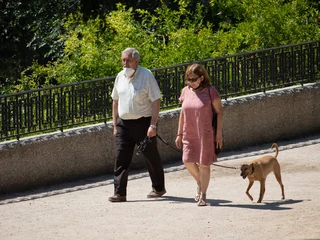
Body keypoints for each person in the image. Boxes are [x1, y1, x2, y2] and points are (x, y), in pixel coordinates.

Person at [108, 47, 166, 202]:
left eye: (128, 60)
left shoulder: (146, 75)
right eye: (123, 60)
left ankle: (158, 187)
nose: (125, 63)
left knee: (150, 155)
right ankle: (119, 193)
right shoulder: (120, 76)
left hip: (143, 122)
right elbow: (115, 101)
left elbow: (155, 100)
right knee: (121, 158)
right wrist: (115, 125)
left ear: (136, 60)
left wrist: (153, 125)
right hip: (123, 124)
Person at [175, 63, 223, 206]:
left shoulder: (210, 91)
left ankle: (203, 195)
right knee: (187, 160)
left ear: (202, 78)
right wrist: (179, 133)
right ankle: (200, 182)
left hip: (205, 133)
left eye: (193, 79)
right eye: (188, 79)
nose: (190, 82)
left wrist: (218, 133)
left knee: (204, 164)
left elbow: (220, 112)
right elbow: (182, 113)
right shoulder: (185, 91)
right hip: (189, 132)